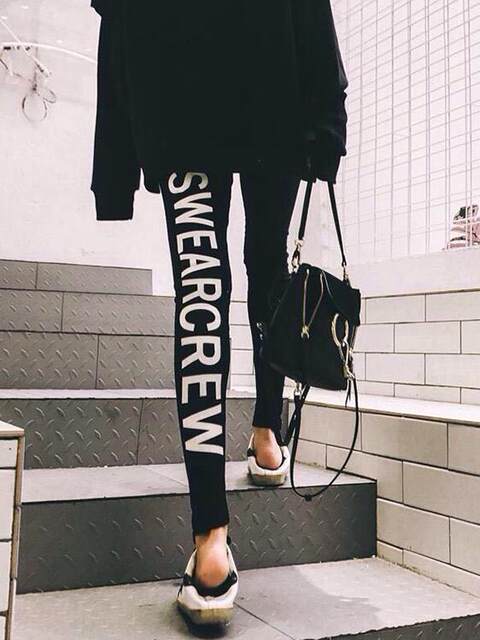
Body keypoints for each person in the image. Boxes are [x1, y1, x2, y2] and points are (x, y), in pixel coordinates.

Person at [90, 0, 348, 627]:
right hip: (274, 92)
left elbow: (119, 18)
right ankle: (266, 433)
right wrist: (326, 123)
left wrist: (114, 163)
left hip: (177, 100)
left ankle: (211, 542)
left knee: (202, 293)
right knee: (268, 271)